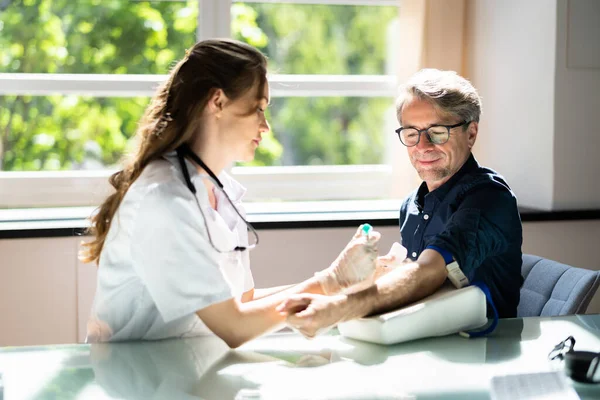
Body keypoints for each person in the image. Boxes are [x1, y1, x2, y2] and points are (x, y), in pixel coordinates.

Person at [79, 39, 382, 347]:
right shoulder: (164, 199)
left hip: (187, 370)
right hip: (137, 381)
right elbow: (234, 326)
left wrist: (337, 283)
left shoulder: (217, 189)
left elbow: (242, 301)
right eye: (257, 109)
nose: (265, 126)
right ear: (218, 102)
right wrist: (331, 282)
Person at [278, 69, 523, 338]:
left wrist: (339, 307)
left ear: (471, 133)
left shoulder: (489, 198)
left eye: (438, 132)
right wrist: (378, 276)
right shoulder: (411, 205)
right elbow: (418, 285)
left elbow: (429, 271)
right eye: (411, 133)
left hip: (485, 350)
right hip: (427, 342)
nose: (422, 146)